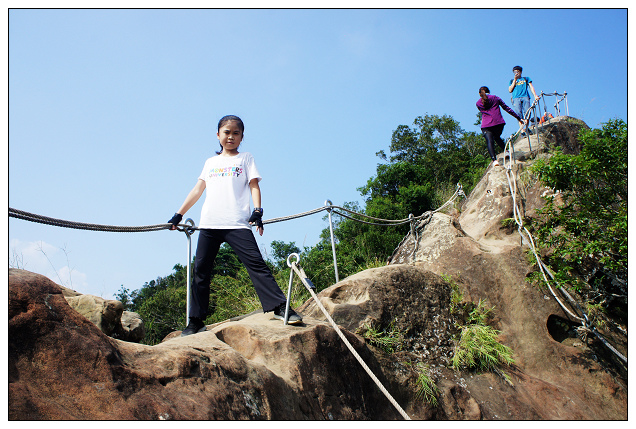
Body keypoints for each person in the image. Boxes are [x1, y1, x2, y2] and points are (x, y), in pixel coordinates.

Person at [168, 115, 303, 336]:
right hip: (210, 224)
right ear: (218, 134)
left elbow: (254, 186)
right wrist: (178, 214)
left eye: (236, 133)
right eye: (226, 132)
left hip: (237, 223)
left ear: (241, 136)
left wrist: (257, 211)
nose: (230, 136)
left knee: (256, 265)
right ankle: (195, 321)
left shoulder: (246, 159)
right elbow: (197, 190)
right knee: (201, 272)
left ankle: (281, 307)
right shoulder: (210, 163)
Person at [476, 86, 525, 167]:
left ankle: (495, 161)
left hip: (486, 125)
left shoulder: (478, 103)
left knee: (489, 141)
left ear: (479, 94)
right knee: (497, 137)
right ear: (489, 91)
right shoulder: (495, 98)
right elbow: (507, 108)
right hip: (498, 123)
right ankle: (506, 152)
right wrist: (518, 118)